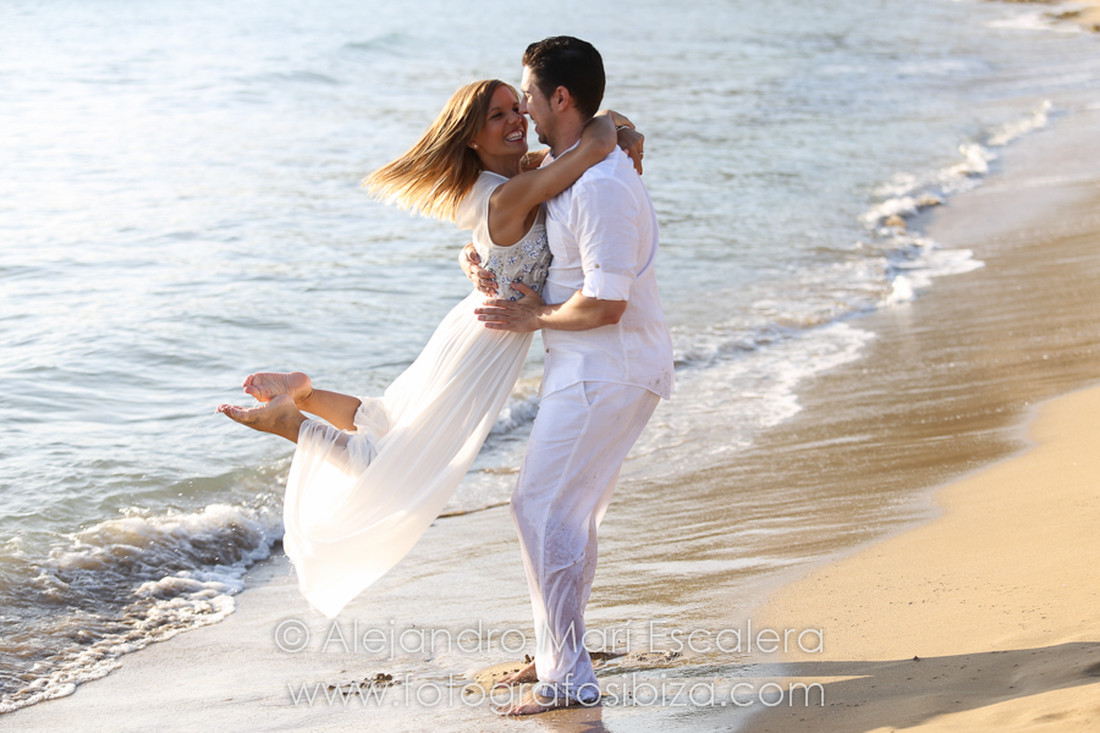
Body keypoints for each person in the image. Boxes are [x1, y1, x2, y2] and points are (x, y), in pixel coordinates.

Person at [217, 79, 642, 619]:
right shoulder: (510, 191)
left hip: (473, 326)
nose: (516, 119)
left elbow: (582, 146)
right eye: (497, 116)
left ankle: (305, 394)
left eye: (517, 108)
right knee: (398, 473)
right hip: (483, 344)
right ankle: (293, 423)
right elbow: (593, 143)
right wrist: (621, 129)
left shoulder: (514, 177)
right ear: (471, 137)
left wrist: (625, 126)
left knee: (393, 424)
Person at [469, 37, 674, 715]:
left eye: (528, 95)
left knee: (541, 509)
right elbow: (552, 248)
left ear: (559, 97)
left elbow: (607, 303)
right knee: (566, 514)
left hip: (606, 369)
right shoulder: (576, 169)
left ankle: (569, 677)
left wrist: (534, 316)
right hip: (592, 368)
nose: (524, 108)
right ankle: (558, 655)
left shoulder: (602, 186)